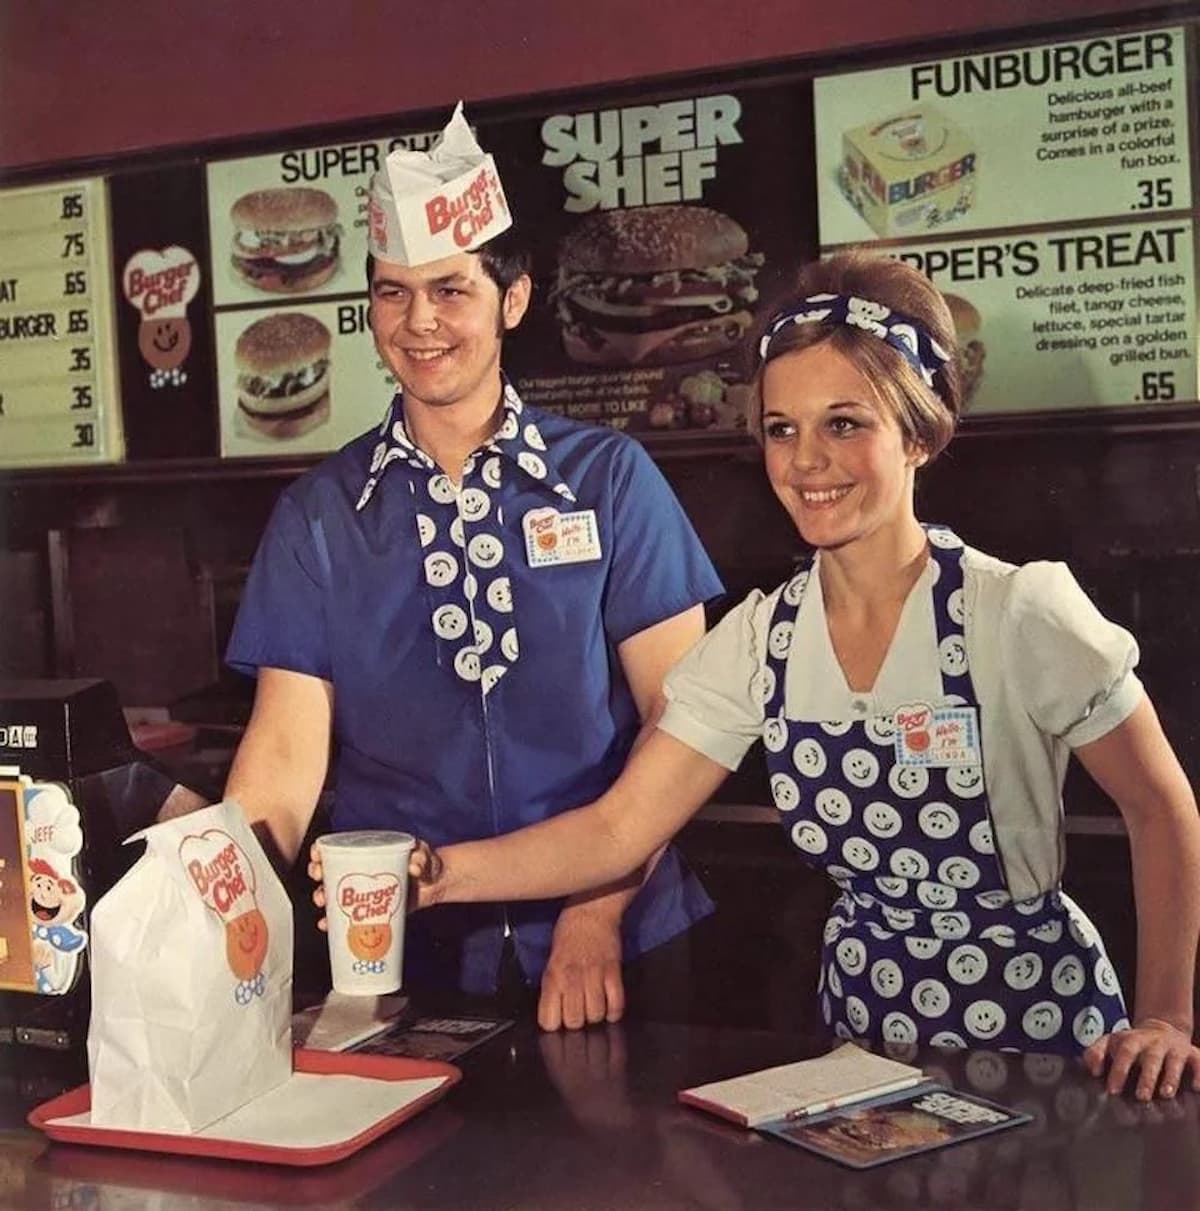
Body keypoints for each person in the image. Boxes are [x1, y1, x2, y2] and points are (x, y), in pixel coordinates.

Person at [394, 251, 1200, 1098]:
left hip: (1045, 1044)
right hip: (860, 1047)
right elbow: (616, 830)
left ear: (919, 434)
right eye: (783, 428)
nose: (806, 460)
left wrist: (1167, 1018)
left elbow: (1161, 804)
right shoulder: (761, 639)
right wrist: (433, 875)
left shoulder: (1018, 611)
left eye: (844, 423)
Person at [226, 107, 722, 1030]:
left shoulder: (611, 482)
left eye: (451, 289)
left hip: (618, 939)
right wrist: (221, 904)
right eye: (391, 293)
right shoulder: (319, 516)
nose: (420, 323)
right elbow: (285, 759)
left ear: (514, 299)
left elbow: (681, 728)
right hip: (404, 954)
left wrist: (594, 907)